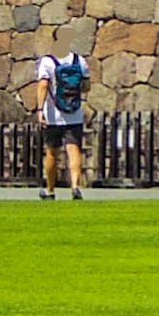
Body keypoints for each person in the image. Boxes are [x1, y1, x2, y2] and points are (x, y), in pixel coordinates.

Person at [33, 37, 93, 200]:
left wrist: (40, 109)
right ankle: (75, 186)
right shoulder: (79, 60)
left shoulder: (47, 62)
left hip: (53, 115)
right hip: (74, 113)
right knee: (73, 150)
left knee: (52, 152)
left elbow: (43, 85)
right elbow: (86, 86)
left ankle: (50, 190)